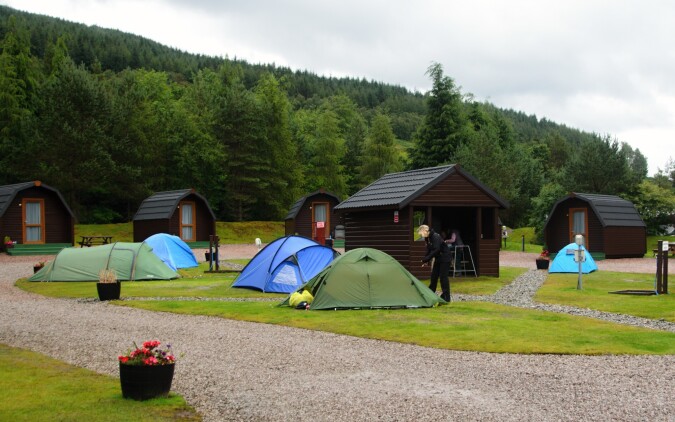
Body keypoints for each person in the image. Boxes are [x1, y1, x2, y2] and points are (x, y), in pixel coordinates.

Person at [418, 225, 452, 302]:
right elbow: (429, 249)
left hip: (445, 258)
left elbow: (436, 249)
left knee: (443, 278)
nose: (421, 236)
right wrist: (425, 260)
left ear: (425, 231)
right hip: (438, 258)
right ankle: (430, 294)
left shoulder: (435, 236)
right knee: (434, 277)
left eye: (421, 234)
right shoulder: (428, 238)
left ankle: (446, 297)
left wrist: (427, 258)